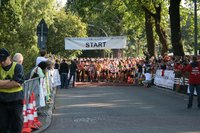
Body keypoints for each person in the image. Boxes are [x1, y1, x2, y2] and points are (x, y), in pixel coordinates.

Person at [0, 48, 24, 133]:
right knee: (2, 127)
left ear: (9, 57)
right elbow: (14, 82)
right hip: (2, 102)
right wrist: (11, 81)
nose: (2, 62)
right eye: (0, 61)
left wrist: (2, 84)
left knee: (16, 126)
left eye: (3, 60)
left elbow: (17, 83)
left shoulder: (18, 66)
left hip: (16, 101)